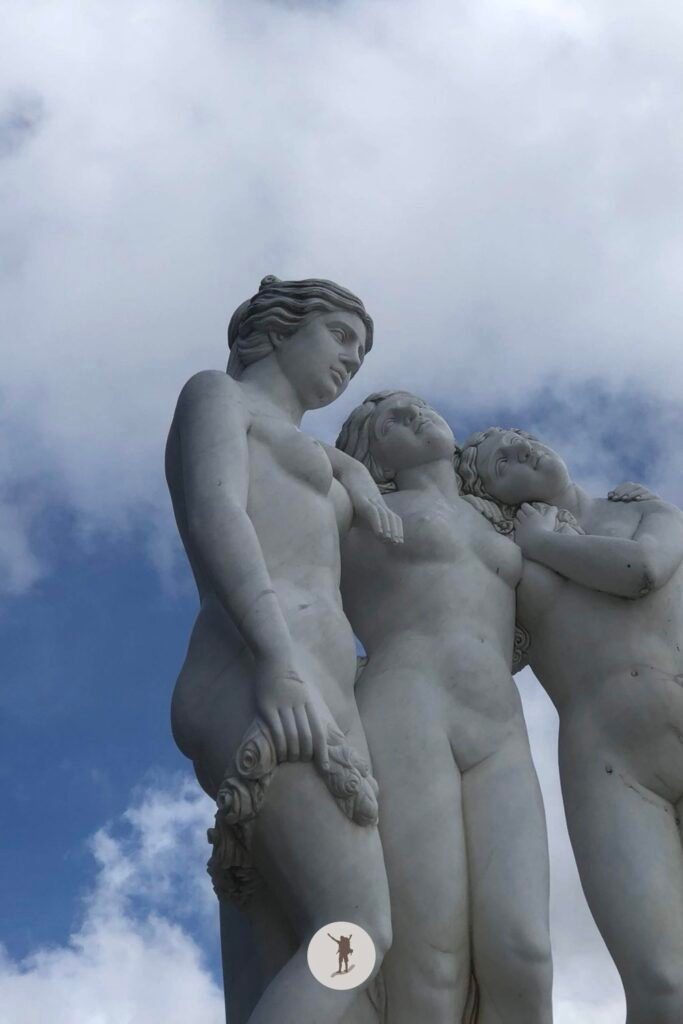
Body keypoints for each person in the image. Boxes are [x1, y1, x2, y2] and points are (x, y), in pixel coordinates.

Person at [166, 277, 400, 1024]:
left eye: (360, 355)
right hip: (265, 669)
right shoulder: (218, 396)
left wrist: (355, 472)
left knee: (292, 951)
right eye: (338, 335)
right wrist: (275, 661)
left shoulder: (307, 450)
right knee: (356, 934)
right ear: (275, 329)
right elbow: (215, 511)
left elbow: (323, 475)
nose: (349, 360)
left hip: (317, 683)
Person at [336, 392, 554, 1024]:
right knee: (431, 952)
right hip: (408, 704)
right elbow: (273, 463)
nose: (417, 418)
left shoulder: (503, 523)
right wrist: (347, 473)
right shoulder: (358, 507)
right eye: (392, 421)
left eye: (418, 408)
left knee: (525, 949)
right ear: (371, 451)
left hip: (499, 720)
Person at [457, 427, 683, 1024]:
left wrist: (544, 543)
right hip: (613, 771)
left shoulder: (643, 510)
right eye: (500, 462)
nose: (522, 451)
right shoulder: (511, 571)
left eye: (520, 439)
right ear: (491, 495)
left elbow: (644, 568)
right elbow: (469, 647)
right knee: (664, 985)